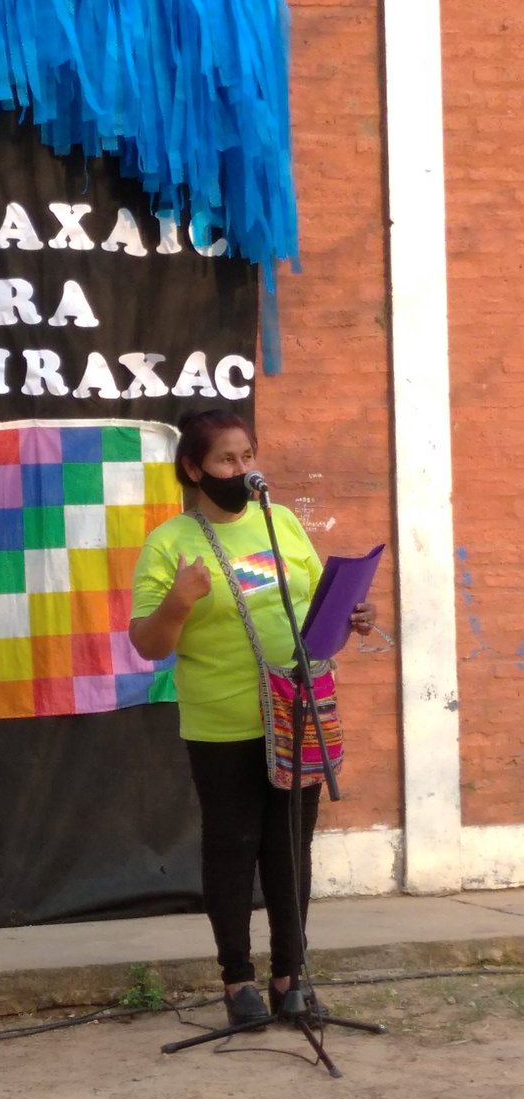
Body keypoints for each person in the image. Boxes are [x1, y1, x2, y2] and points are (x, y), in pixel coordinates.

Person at [129, 409, 374, 1028]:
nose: (242, 470)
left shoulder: (280, 521)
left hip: (295, 713)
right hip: (223, 721)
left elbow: (316, 603)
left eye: (247, 457)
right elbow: (148, 645)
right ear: (195, 469)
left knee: (291, 848)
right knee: (234, 846)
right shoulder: (169, 543)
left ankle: (291, 977)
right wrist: (179, 601)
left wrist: (352, 615)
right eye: (227, 460)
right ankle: (237, 980)